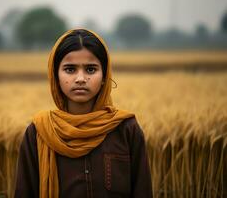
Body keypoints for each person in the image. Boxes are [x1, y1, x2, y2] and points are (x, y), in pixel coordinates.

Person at [14, 28, 153, 198]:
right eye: (70, 69)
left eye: (91, 69)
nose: (80, 78)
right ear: (55, 75)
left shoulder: (125, 129)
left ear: (104, 76)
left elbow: (142, 190)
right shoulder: (39, 132)